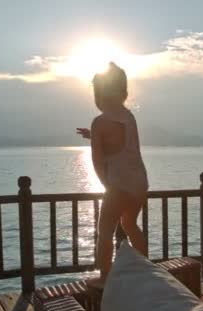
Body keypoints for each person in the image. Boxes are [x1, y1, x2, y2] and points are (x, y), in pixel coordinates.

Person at [76, 62, 149, 284]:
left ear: (99, 95)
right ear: (124, 93)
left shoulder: (99, 122)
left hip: (119, 185)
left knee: (105, 229)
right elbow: (120, 142)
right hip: (139, 183)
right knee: (129, 224)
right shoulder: (129, 117)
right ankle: (146, 269)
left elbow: (97, 159)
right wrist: (95, 136)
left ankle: (105, 276)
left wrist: (107, 185)